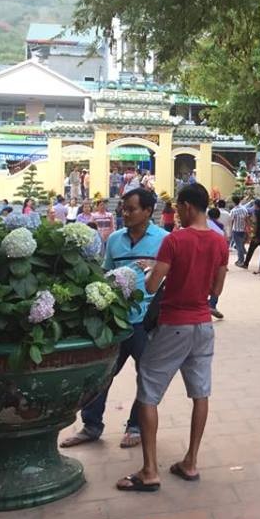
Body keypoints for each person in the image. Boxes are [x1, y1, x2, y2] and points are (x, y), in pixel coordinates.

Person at [116, 183, 228, 492]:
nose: (175, 212)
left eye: (178, 206)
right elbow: (215, 291)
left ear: (188, 206)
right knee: (200, 393)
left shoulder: (175, 240)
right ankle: (190, 461)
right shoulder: (220, 242)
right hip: (203, 325)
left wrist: (151, 270)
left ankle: (149, 470)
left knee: (148, 389)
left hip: (174, 323)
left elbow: (152, 287)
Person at [62, 188, 169, 450]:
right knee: (101, 374)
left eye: (131, 209)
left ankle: (135, 426)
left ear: (147, 211)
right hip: (116, 319)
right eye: (123, 208)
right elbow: (106, 273)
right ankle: (91, 425)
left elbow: (170, 278)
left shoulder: (165, 240)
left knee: (145, 376)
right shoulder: (114, 240)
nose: (125, 213)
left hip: (147, 320)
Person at [242, 199, 260, 270]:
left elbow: (255, 224)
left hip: (257, 235)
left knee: (251, 250)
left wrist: (253, 234)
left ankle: (246, 264)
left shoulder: (255, 213)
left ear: (255, 205)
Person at [230, 199, 250, 266]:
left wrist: (230, 230)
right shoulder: (244, 209)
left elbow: (231, 221)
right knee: (241, 245)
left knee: (239, 246)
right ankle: (240, 259)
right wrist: (248, 228)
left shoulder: (233, 211)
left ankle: (241, 260)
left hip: (236, 230)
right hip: (243, 230)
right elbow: (247, 219)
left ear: (233, 202)